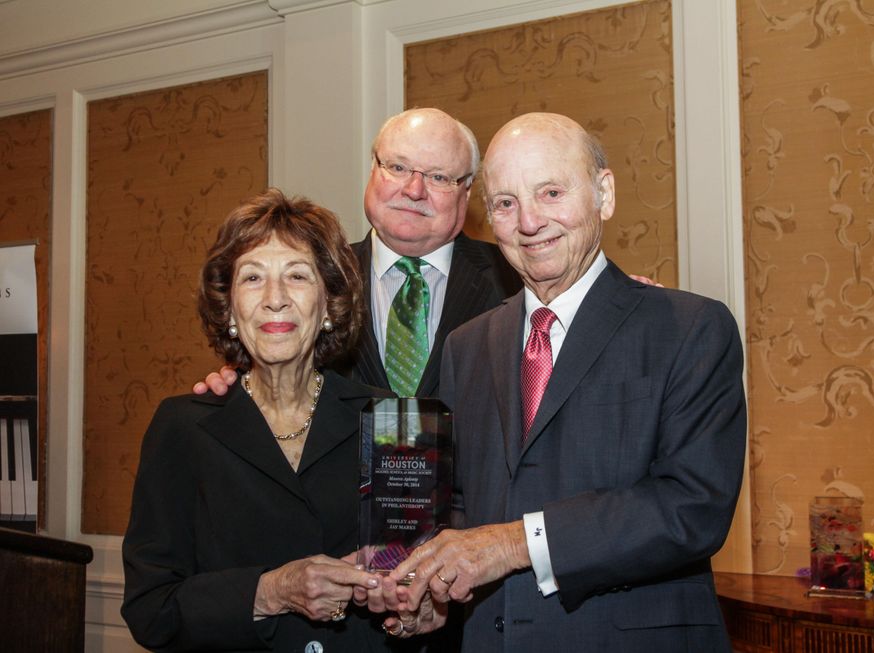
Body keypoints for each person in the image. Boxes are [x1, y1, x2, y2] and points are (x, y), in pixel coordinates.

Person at [375, 113, 747, 652]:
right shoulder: (466, 346)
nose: (529, 222)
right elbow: (458, 506)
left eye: (550, 192)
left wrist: (515, 543)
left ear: (604, 194)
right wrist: (431, 586)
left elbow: (693, 507)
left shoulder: (689, 328)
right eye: (505, 204)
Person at [122, 189, 401, 652]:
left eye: (297, 275)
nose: (275, 299)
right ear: (230, 309)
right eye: (253, 278)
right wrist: (270, 592)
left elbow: (406, 590)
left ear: (329, 305)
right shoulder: (182, 428)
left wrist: (409, 615)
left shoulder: (386, 418)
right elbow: (151, 609)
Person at [196, 108, 521, 400]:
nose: (414, 190)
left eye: (438, 177)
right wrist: (239, 381)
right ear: (373, 170)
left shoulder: (517, 278)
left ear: (466, 190)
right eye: (397, 167)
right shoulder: (315, 277)